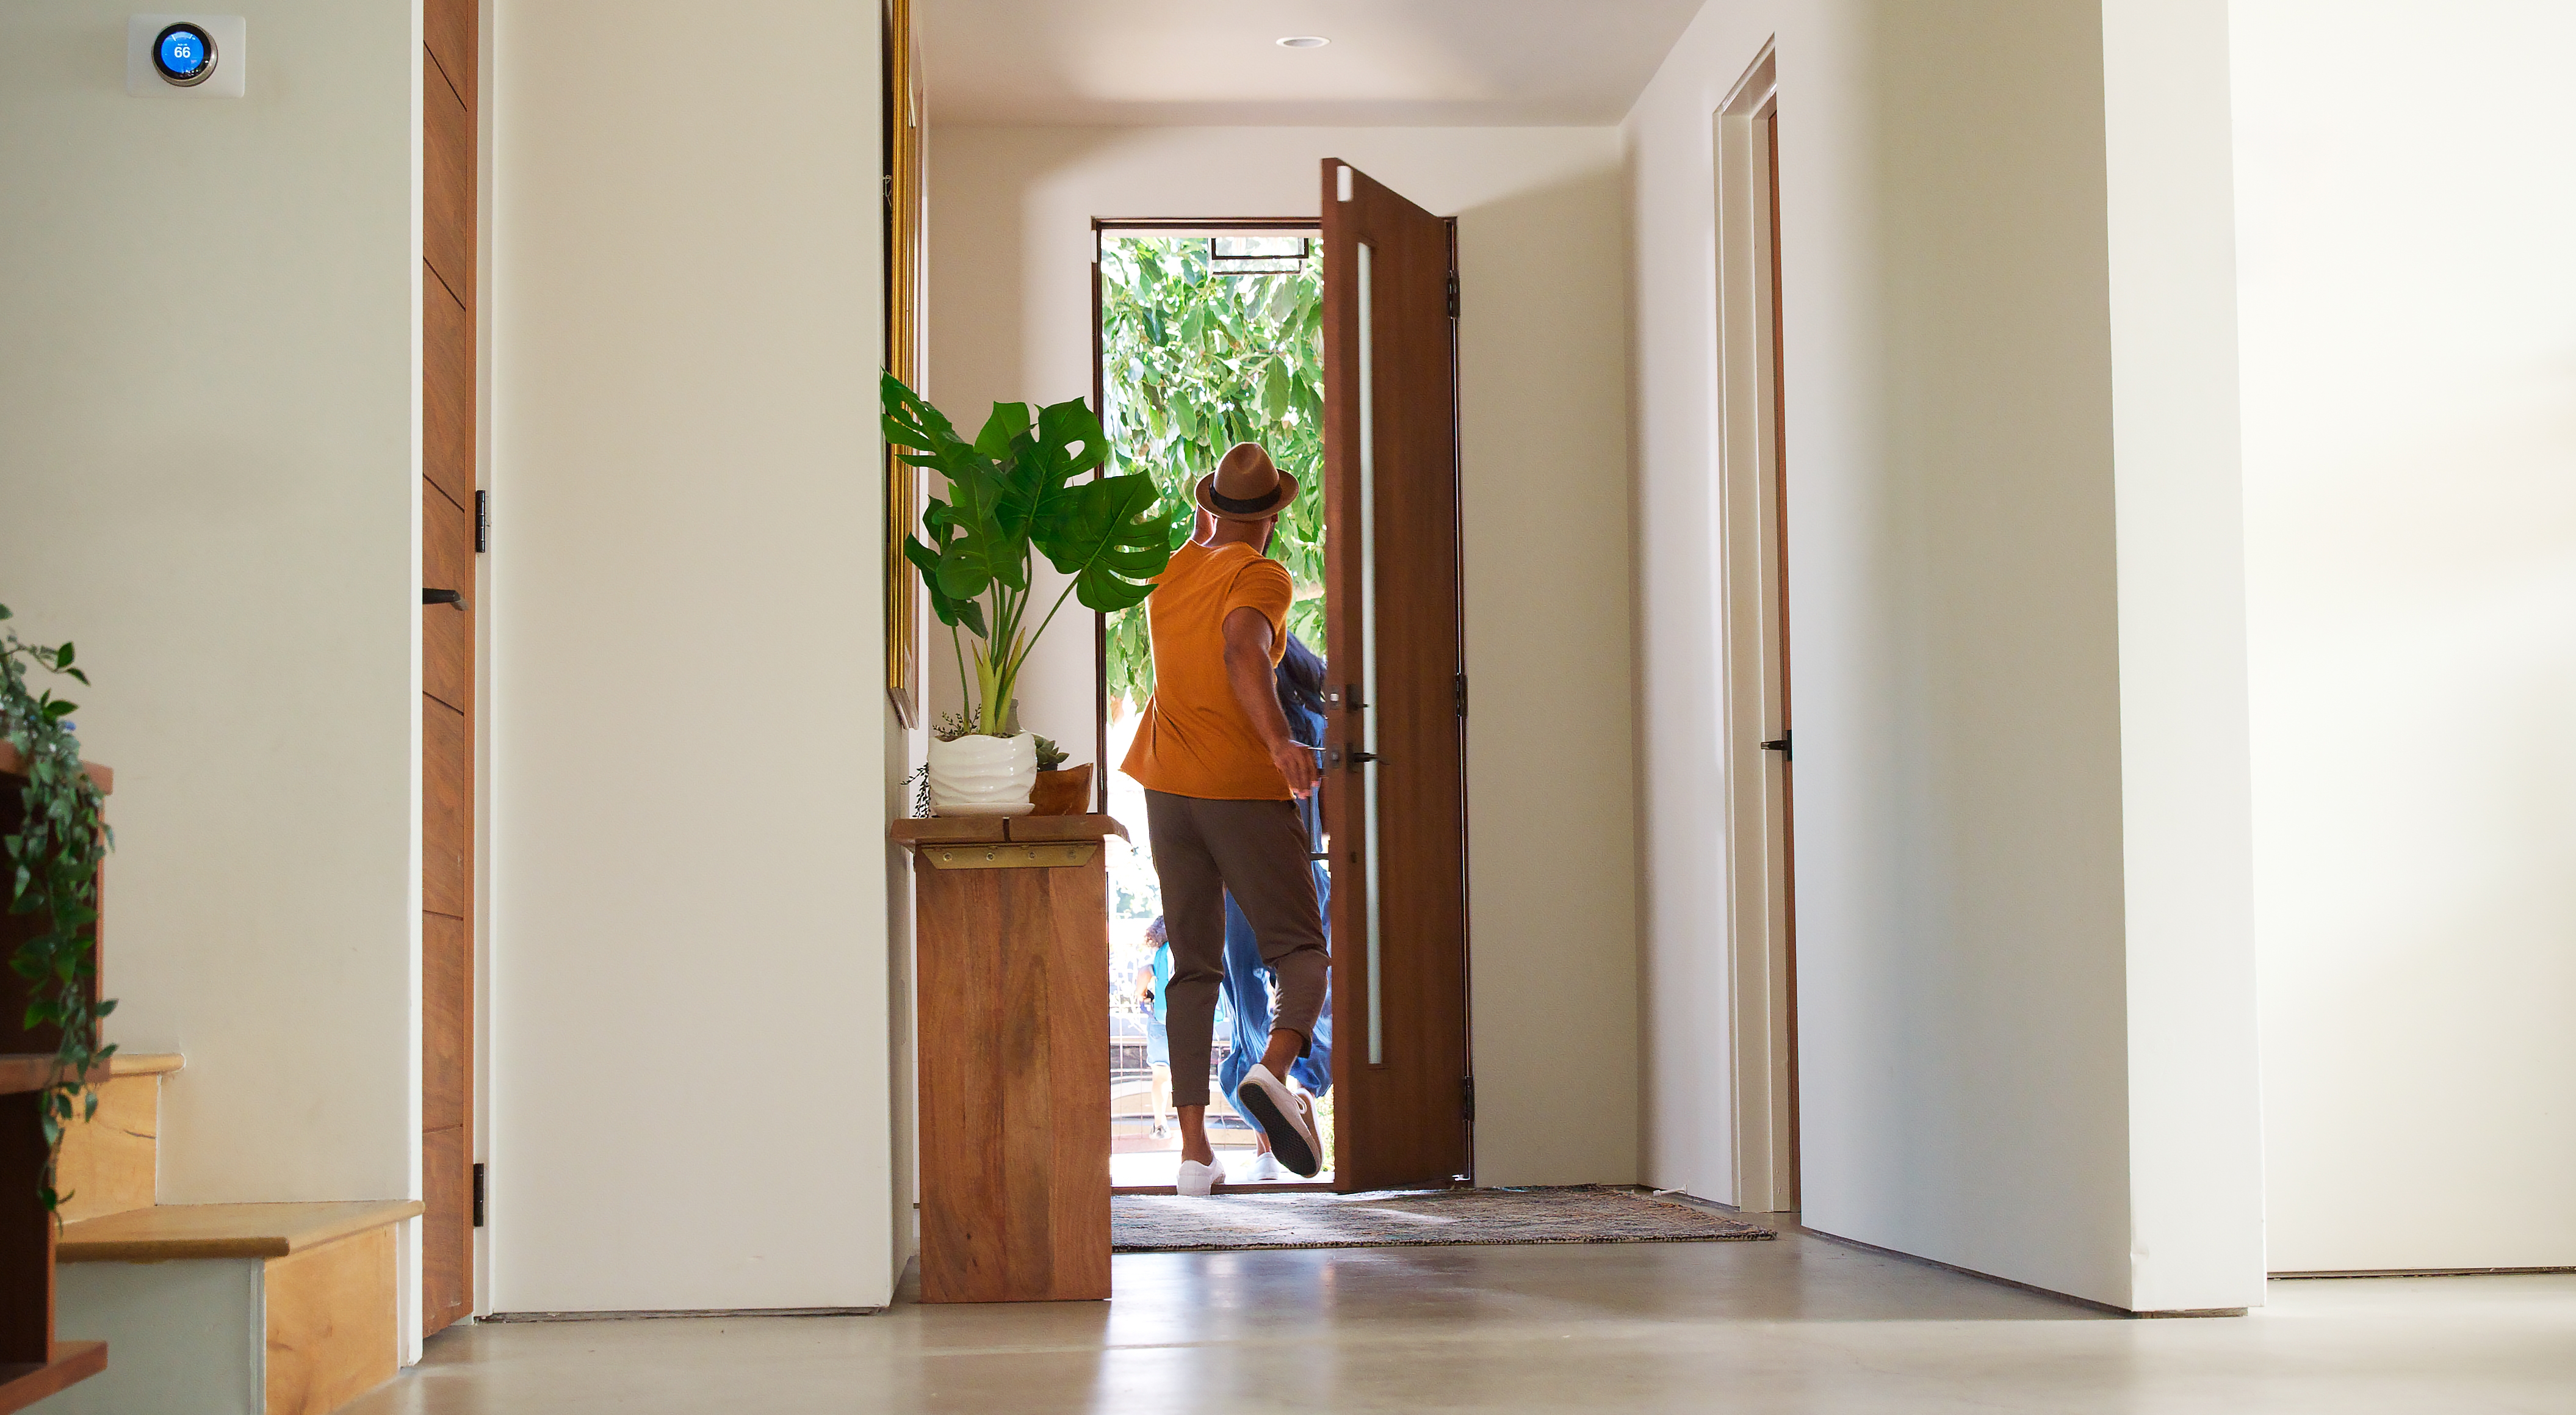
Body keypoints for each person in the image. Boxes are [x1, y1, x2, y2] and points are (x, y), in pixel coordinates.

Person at [1122, 441, 1329, 1198]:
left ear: (1210, 506)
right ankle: (1272, 1073)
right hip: (1240, 786)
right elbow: (1243, 648)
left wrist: (1205, 520)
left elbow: (1202, 545)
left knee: (1195, 965)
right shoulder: (1263, 574)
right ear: (1275, 516)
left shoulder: (1173, 569)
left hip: (1165, 787)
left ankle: (1194, 1153)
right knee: (1302, 948)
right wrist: (1282, 745)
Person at [1218, 631, 1334, 1181]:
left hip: (1239, 877)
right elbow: (1331, 815)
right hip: (1304, 865)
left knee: (1247, 1001)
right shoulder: (1313, 727)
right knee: (1308, 988)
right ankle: (1297, 1091)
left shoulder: (1245, 724)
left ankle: (1266, 1138)